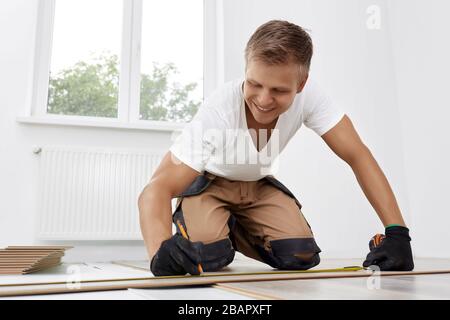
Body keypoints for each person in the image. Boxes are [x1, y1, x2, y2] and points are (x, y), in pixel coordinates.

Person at [138, 20, 414, 276]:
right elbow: (156, 188)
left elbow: (357, 154)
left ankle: (232, 228)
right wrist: (160, 252)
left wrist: (397, 232)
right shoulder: (218, 111)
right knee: (207, 257)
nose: (263, 99)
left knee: (301, 257)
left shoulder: (312, 97)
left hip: (257, 187)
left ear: (301, 84)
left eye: (279, 91)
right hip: (210, 187)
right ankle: (215, 234)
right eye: (254, 83)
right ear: (246, 70)